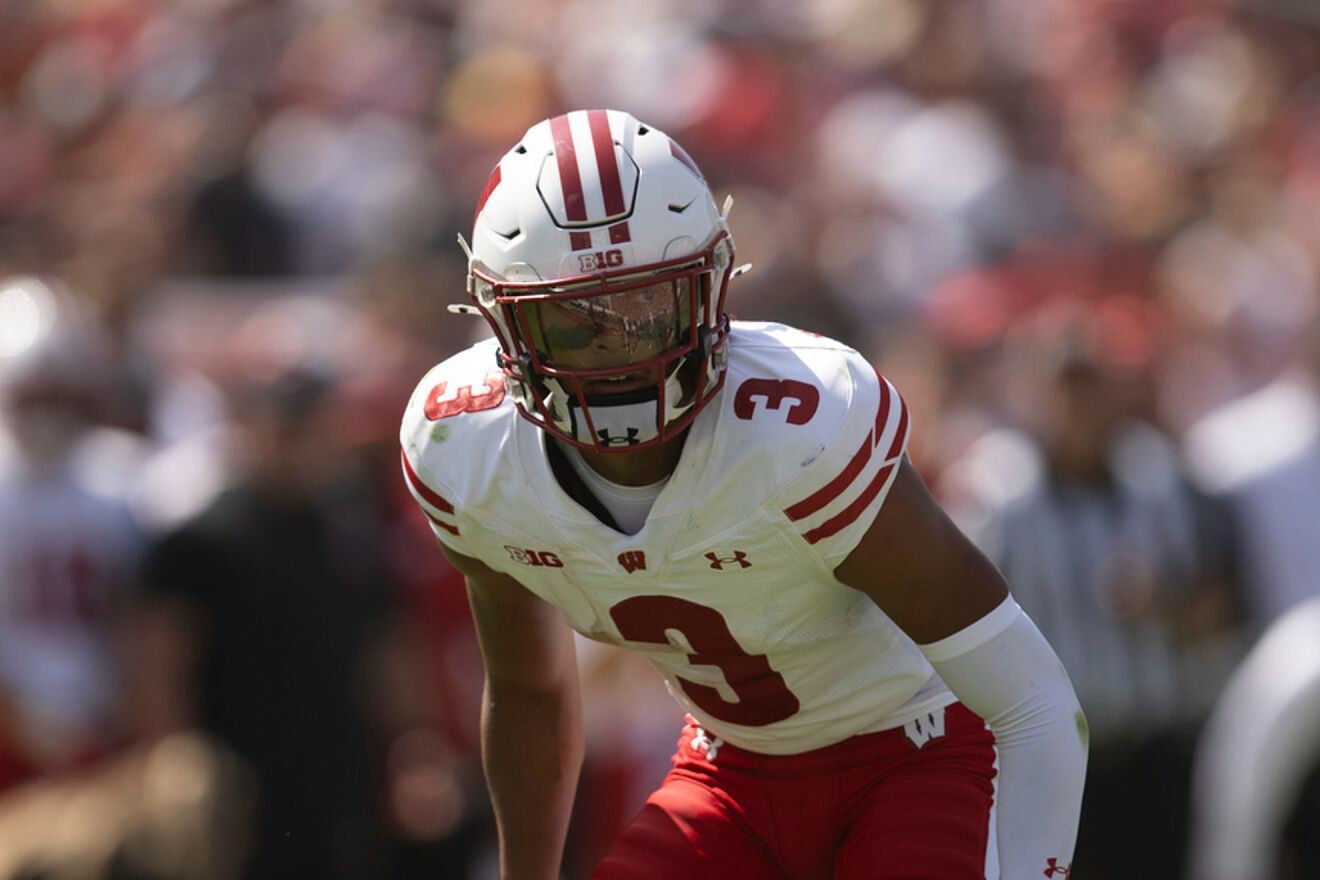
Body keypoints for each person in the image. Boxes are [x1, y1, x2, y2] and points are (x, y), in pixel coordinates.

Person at [400, 109, 1088, 879]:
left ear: (712, 287)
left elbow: (1033, 703)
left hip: (917, 754)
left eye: (648, 308)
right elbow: (528, 691)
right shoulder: (466, 448)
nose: (620, 354)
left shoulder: (797, 432)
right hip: (728, 772)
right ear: (506, 326)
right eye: (576, 324)